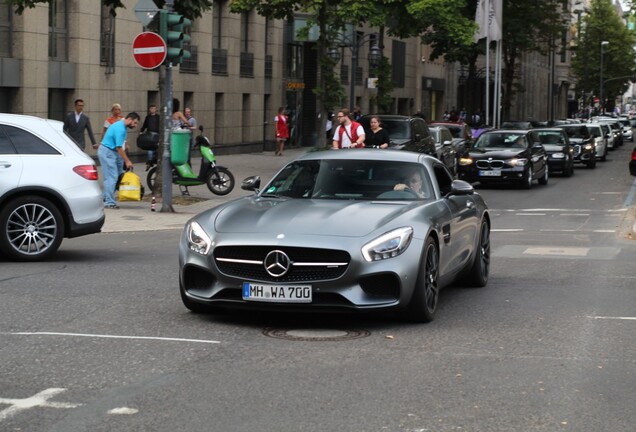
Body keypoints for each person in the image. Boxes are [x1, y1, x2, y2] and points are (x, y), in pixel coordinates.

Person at [97, 112, 140, 209]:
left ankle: (106, 197)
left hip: (110, 152)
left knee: (114, 176)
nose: (135, 125)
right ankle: (109, 202)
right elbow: (119, 147)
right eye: (135, 123)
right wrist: (127, 161)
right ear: (130, 119)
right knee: (111, 177)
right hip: (108, 152)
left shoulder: (121, 125)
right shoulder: (120, 129)